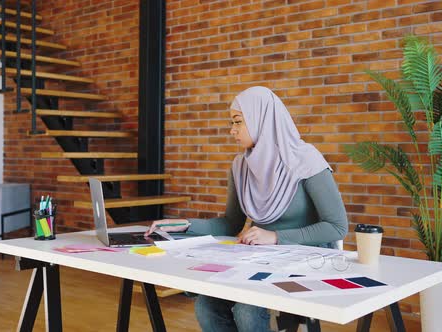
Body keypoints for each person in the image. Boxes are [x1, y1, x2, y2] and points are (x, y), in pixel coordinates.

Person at [146, 86, 348, 332]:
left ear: (262, 119)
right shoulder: (241, 166)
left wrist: (275, 237)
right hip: (259, 259)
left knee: (247, 308)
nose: (232, 130)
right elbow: (231, 223)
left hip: (304, 257)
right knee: (206, 305)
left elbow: (337, 227)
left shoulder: (306, 160)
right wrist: (186, 225)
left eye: (238, 122)